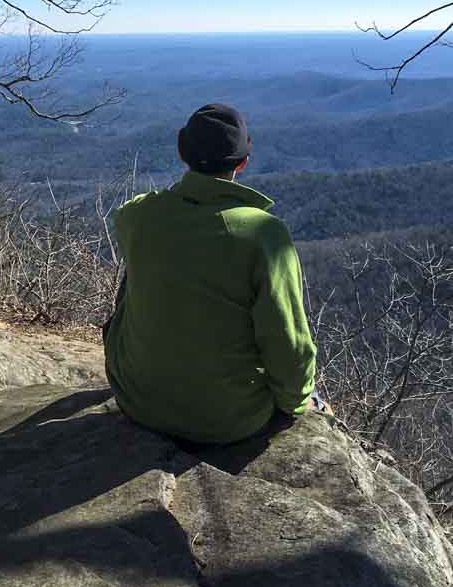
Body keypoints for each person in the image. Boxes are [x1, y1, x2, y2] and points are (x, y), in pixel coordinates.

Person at [103, 103, 327, 446]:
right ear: (243, 162)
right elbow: (287, 340)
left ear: (182, 151)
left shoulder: (137, 217)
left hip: (138, 401)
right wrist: (297, 402)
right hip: (228, 420)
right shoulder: (264, 235)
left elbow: (137, 211)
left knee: (140, 271)